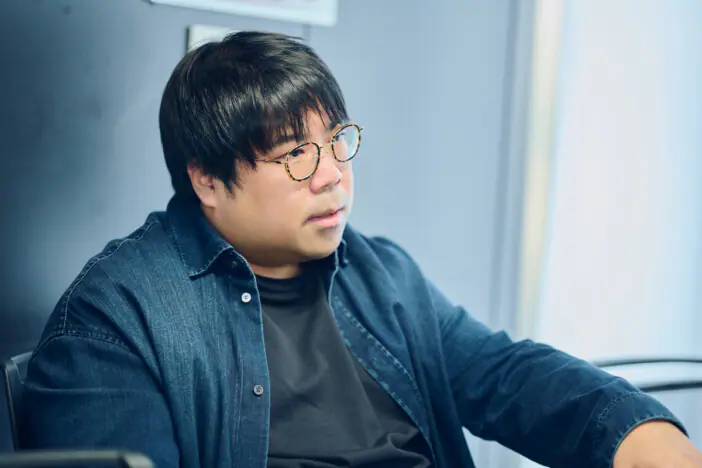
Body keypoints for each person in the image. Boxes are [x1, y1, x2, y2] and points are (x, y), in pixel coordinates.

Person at [22, 31, 701, 468]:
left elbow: (505, 375)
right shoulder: (115, 317)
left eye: (338, 142)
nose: (333, 176)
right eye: (297, 155)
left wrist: (639, 435)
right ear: (207, 180)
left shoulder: (379, 273)